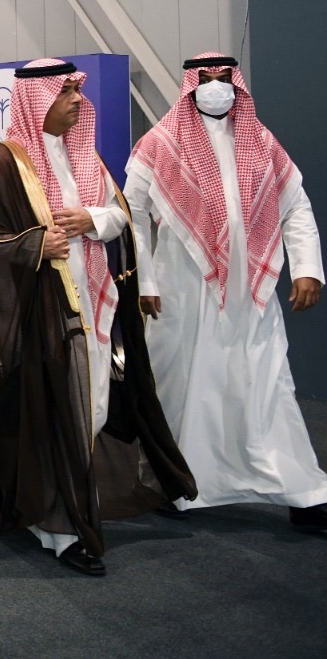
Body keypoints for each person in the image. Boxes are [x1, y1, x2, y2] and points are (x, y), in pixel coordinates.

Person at [0, 58, 195, 576]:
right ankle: (63, 528)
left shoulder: (84, 154)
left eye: (76, 92)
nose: (76, 101)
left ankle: (48, 496)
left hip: (95, 307)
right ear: (38, 100)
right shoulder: (5, 161)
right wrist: (33, 246)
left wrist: (93, 219)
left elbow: (120, 215)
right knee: (60, 413)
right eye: (64, 92)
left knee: (93, 410)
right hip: (41, 313)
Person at [125, 53, 327, 533]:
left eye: (224, 78)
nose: (216, 87)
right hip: (182, 291)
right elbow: (131, 213)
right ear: (190, 85)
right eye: (206, 79)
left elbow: (295, 206)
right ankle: (178, 483)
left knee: (267, 382)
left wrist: (307, 269)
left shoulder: (259, 139)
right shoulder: (161, 142)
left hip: (250, 291)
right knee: (185, 385)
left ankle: (303, 491)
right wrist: (145, 280)